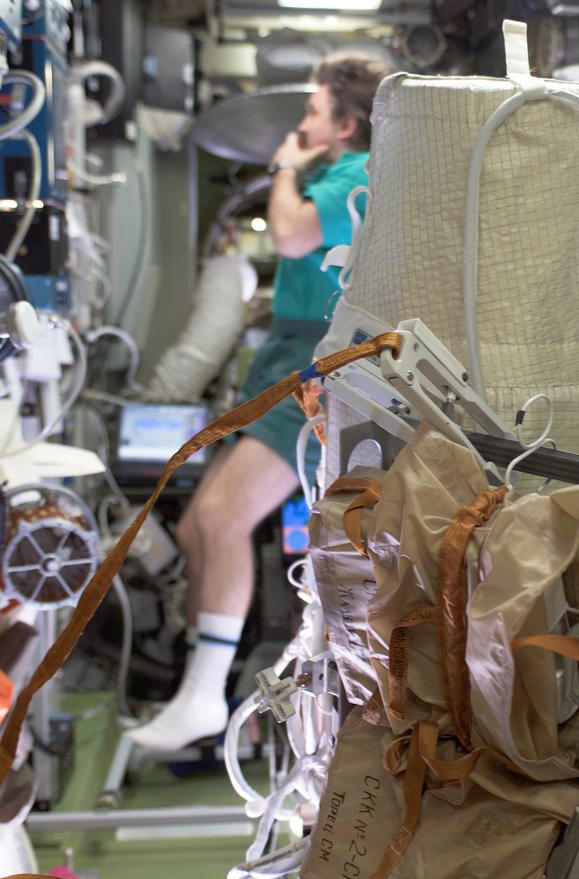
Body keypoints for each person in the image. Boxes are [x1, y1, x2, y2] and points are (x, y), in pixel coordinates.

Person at [128, 54, 390, 751]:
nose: (300, 125)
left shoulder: (356, 174)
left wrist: (281, 165)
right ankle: (198, 670)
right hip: (286, 352)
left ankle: (205, 697)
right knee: (192, 530)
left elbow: (293, 235)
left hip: (319, 361)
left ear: (346, 123)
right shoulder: (329, 174)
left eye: (312, 113)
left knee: (220, 517)